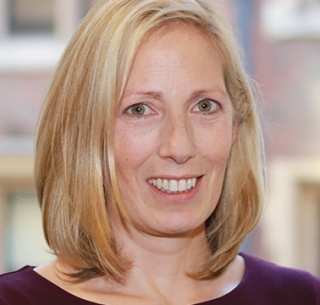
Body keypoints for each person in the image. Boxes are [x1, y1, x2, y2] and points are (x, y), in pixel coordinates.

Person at [0, 0, 319, 304]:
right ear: (85, 134)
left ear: (235, 126)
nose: (180, 147)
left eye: (204, 106)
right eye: (140, 110)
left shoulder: (301, 297)